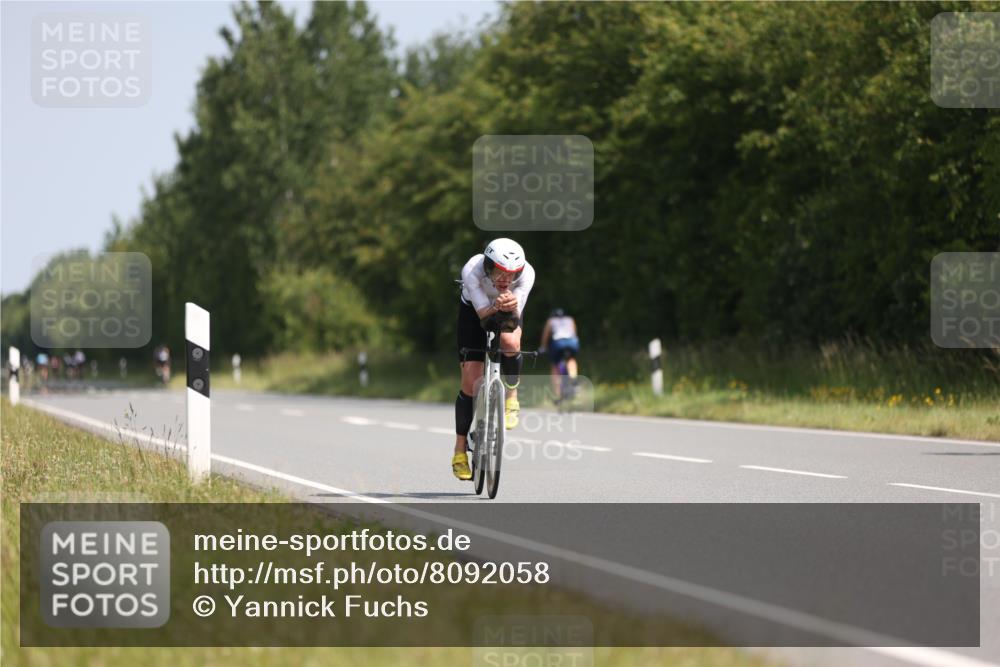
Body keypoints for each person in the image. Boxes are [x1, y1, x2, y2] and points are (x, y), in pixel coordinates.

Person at [452, 238, 535, 480]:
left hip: (506, 309)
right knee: (470, 379)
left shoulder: (527, 274)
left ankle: (512, 397)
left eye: (512, 274)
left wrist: (509, 307)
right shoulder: (472, 270)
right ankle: (459, 451)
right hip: (474, 312)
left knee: (510, 342)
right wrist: (495, 307)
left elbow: (512, 320)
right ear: (488, 267)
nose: (505, 279)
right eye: (500, 272)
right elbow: (483, 318)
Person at [539, 308, 580, 396]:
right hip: (572, 342)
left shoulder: (550, 321)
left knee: (555, 366)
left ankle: (557, 394)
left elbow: (545, 335)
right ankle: (573, 379)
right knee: (571, 359)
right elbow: (574, 333)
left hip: (558, 344)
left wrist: (543, 347)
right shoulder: (570, 319)